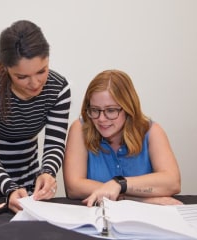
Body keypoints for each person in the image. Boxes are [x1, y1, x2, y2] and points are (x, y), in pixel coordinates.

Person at [0, 20, 71, 212]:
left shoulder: (58, 88)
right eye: (22, 77)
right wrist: (10, 188)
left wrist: (47, 172)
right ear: (6, 68)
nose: (35, 83)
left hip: (24, 164)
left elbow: (54, 144)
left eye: (41, 71)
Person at [63, 69, 182, 207]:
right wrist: (136, 199)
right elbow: (74, 188)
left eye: (111, 110)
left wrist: (119, 184)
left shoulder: (152, 131)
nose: (101, 119)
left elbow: (172, 182)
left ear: (128, 108)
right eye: (95, 110)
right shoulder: (80, 128)